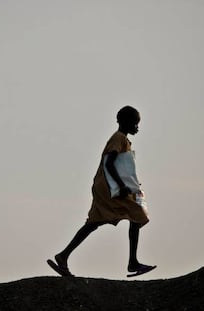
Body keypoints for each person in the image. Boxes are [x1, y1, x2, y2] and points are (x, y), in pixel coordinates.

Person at [47, 106, 155, 277]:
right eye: (135, 123)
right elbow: (109, 163)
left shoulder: (122, 140)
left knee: (94, 222)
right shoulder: (118, 139)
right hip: (110, 187)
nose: (137, 127)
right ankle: (133, 262)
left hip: (103, 186)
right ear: (126, 122)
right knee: (138, 212)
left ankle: (63, 256)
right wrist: (121, 185)